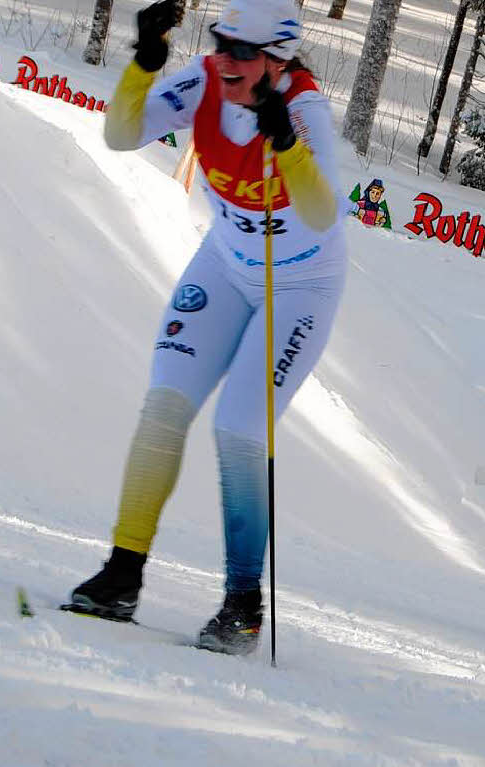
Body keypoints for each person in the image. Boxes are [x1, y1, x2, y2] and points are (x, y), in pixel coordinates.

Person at [65, 0, 346, 656]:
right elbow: (122, 133)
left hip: (298, 287)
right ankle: (121, 575)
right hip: (226, 264)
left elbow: (323, 209)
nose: (226, 62)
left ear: (277, 61)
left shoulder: (305, 111)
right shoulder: (205, 81)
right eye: (222, 44)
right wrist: (144, 63)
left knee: (239, 427)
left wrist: (285, 144)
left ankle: (243, 605)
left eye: (243, 54)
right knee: (165, 406)